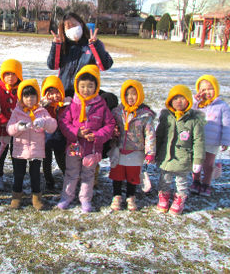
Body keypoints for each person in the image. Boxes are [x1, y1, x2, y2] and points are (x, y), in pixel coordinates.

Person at [57, 65, 116, 213]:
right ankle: (67, 197)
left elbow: (109, 125)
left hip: (92, 149)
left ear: (96, 87)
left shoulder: (101, 105)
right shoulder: (72, 104)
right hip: (74, 147)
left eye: (90, 86)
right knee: (71, 173)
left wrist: (97, 136)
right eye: (82, 86)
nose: (86, 90)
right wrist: (77, 132)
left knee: (88, 175)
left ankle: (85, 199)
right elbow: (64, 123)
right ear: (77, 86)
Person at [7, 79, 57, 210]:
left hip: (36, 150)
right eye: (26, 96)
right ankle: (16, 196)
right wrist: (19, 127)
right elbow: (9, 129)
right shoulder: (17, 112)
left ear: (37, 97)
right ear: (21, 97)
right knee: (18, 174)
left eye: (33, 96)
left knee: (35, 174)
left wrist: (44, 123)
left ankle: (36, 197)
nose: (30, 99)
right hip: (19, 150)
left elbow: (53, 125)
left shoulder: (41, 111)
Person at [155, 85, 205, 215]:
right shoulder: (166, 117)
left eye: (182, 98)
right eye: (175, 98)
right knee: (164, 179)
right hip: (166, 156)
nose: (178, 101)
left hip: (184, 157)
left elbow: (198, 141)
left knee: (181, 181)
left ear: (188, 100)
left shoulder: (194, 120)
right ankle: (164, 196)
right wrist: (154, 151)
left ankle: (180, 198)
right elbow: (159, 135)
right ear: (170, 101)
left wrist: (198, 160)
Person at [108, 80, 156, 211]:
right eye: (127, 94)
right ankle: (117, 195)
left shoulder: (145, 115)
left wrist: (150, 151)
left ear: (140, 95)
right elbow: (111, 125)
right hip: (119, 149)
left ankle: (131, 195)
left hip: (136, 151)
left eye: (134, 94)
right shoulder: (117, 112)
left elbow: (150, 134)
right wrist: (113, 132)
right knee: (117, 174)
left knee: (133, 176)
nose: (130, 97)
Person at [47, 12, 113, 97]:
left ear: (81, 24)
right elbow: (52, 66)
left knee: (110, 98)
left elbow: (105, 65)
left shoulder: (92, 45)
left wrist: (95, 45)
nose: (72, 29)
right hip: (65, 92)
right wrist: (56, 45)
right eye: (68, 27)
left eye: (74, 25)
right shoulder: (63, 46)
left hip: (85, 94)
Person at [191, 74, 230, 196]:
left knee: (208, 165)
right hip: (197, 141)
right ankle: (196, 181)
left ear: (216, 89)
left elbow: (227, 125)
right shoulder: (198, 105)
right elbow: (188, 113)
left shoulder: (222, 106)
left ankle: (206, 184)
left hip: (212, 141)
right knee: (196, 163)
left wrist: (225, 141)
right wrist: (194, 101)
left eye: (210, 88)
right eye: (203, 89)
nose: (207, 92)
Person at [0, 59, 23, 191]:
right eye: (7, 74)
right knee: (0, 154)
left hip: (17, 129)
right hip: (2, 129)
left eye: (14, 74)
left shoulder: (22, 89)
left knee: (16, 153)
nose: (10, 77)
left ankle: (17, 176)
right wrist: (4, 122)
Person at [41, 75, 68, 190]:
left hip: (60, 139)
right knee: (46, 161)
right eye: (50, 93)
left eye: (57, 92)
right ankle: (48, 180)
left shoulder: (66, 106)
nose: (54, 96)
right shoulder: (42, 108)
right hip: (45, 140)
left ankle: (68, 177)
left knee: (61, 159)